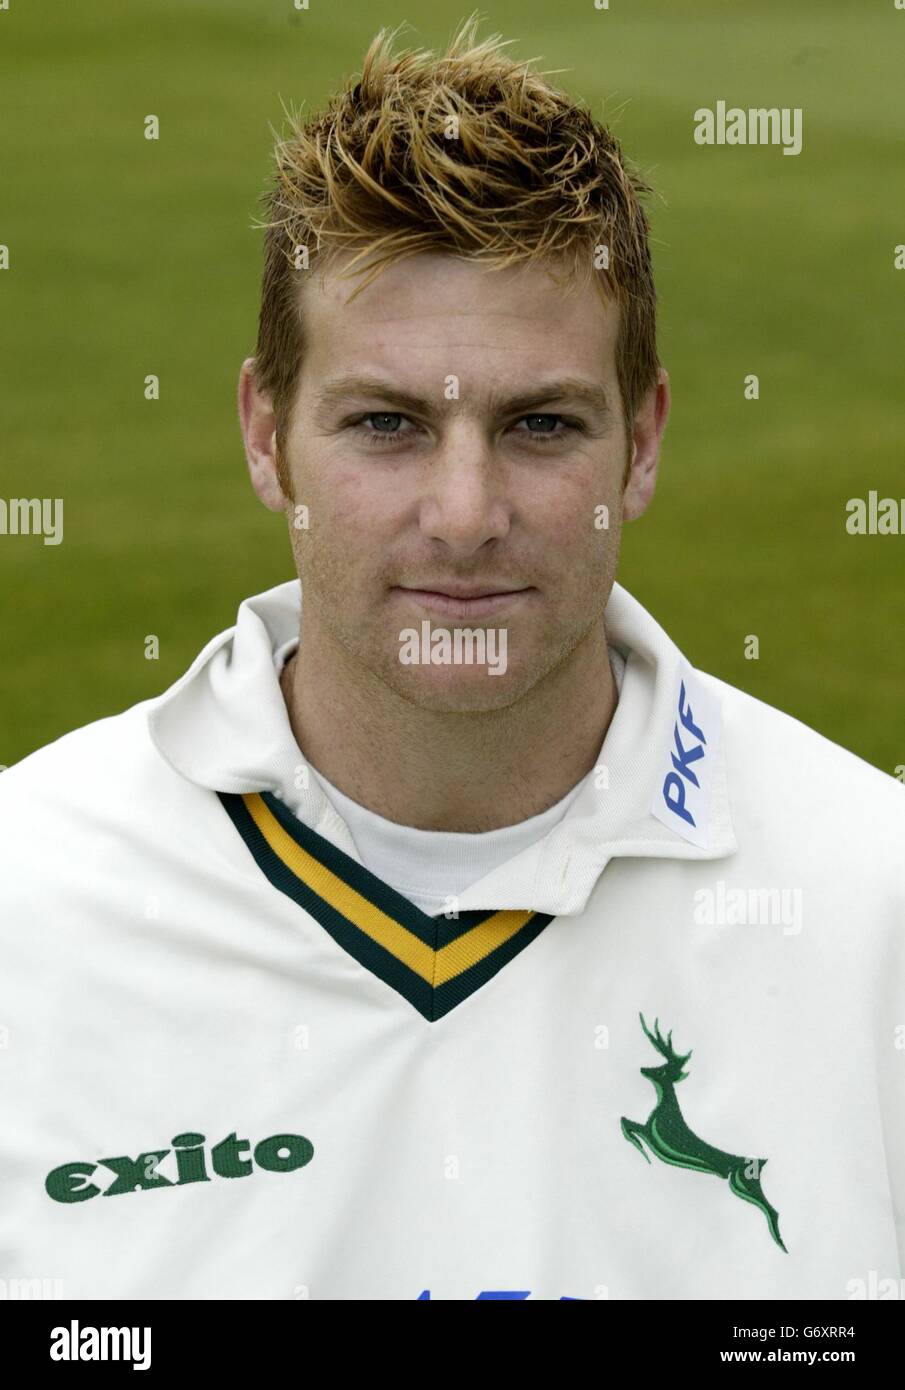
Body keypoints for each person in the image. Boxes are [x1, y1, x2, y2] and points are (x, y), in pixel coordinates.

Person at [1, 19, 902, 1302]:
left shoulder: (875, 904)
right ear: (266, 436)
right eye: (386, 424)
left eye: (540, 424)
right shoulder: (24, 902)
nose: (466, 513)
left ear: (640, 443)